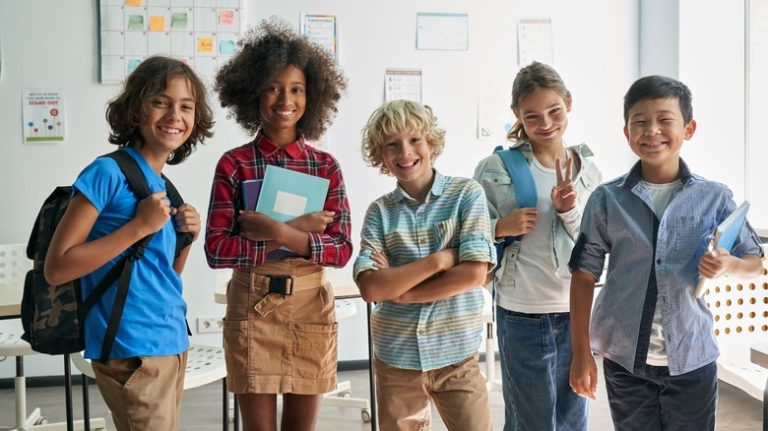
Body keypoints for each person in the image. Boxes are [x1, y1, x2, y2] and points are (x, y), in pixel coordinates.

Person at [569, 75, 764, 431]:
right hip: (625, 359)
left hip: (692, 358)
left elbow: (754, 263)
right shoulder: (606, 200)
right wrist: (581, 353)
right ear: (626, 133)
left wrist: (728, 264)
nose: (651, 130)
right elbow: (583, 275)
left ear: (688, 129)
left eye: (664, 120)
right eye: (639, 122)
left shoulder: (715, 197)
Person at [43, 56, 214, 430]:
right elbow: (57, 268)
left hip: (170, 339)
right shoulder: (106, 172)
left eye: (186, 107)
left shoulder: (163, 185)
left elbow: (161, 276)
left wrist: (186, 240)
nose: (175, 115)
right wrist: (138, 227)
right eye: (161, 101)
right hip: (130, 347)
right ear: (136, 107)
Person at [204, 18, 351, 431]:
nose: (284, 99)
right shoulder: (234, 164)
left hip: (311, 309)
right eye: (272, 86)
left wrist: (279, 231)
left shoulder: (326, 167)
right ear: (253, 92)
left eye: (296, 89)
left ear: (312, 96)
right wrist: (300, 230)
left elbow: (341, 250)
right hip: (253, 307)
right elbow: (216, 250)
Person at [472, 61, 601, 431]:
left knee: (573, 419)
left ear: (569, 104)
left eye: (554, 111)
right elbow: (468, 236)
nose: (545, 123)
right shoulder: (495, 168)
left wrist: (569, 210)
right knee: (532, 422)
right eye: (532, 116)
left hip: (575, 311)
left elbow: (592, 245)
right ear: (517, 116)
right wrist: (500, 227)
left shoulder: (588, 171)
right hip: (521, 312)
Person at [353, 99, 496, 431]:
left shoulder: (466, 195)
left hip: (457, 355)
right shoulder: (379, 212)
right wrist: (441, 259)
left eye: (415, 139)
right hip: (396, 356)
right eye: (392, 144)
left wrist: (401, 291)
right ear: (381, 156)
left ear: (431, 143)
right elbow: (372, 287)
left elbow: (474, 273)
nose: (405, 151)